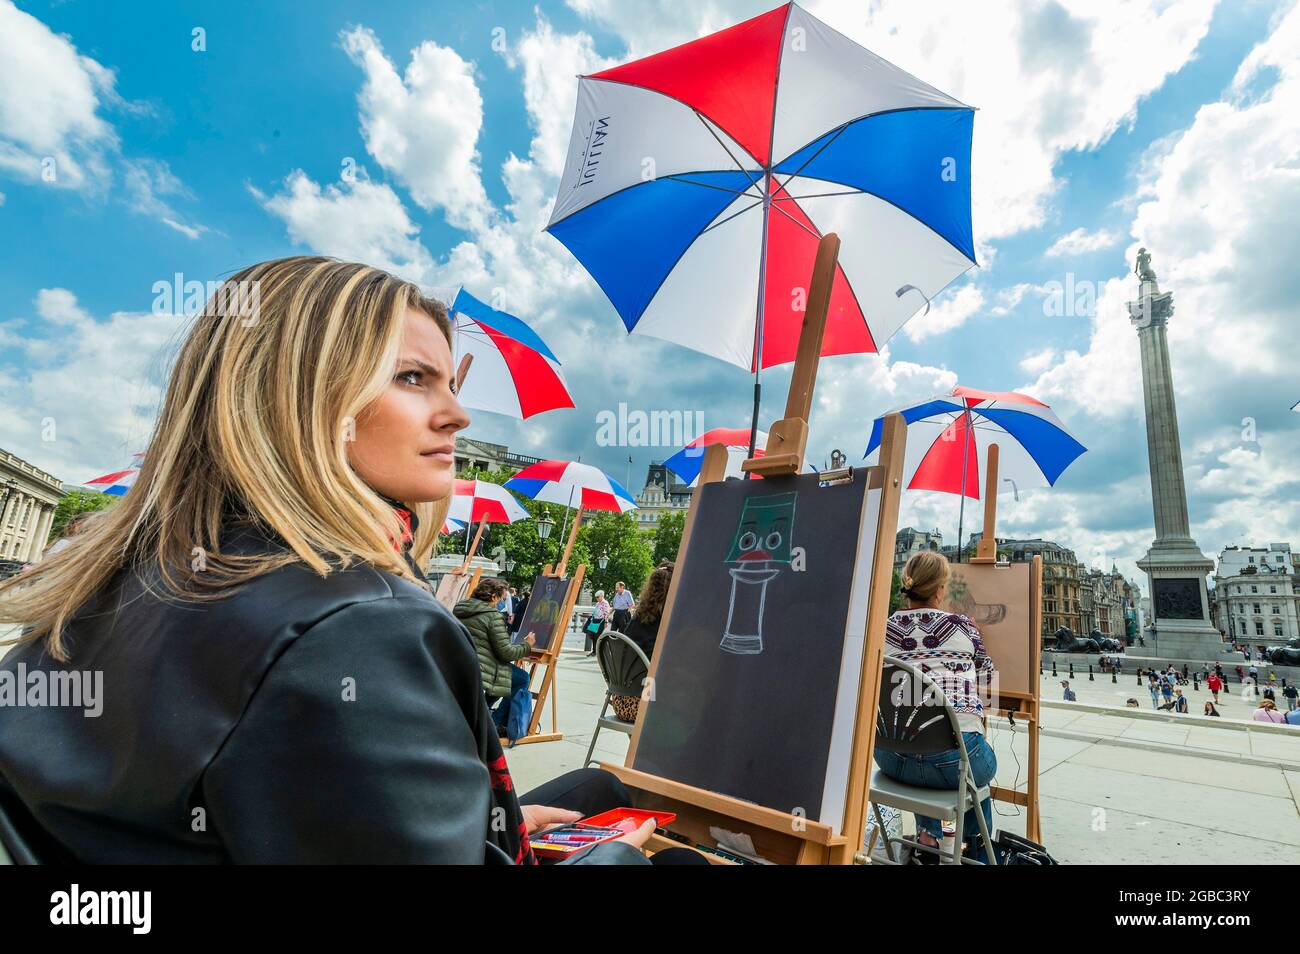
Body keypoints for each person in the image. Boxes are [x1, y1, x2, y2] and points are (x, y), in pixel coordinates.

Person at [0, 257, 663, 865]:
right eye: (413, 379)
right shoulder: (359, 624)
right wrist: (613, 860)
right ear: (302, 397)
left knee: (598, 785)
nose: (457, 414)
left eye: (449, 384)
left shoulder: (108, 583)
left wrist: (492, 824)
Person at [873, 551, 997, 864]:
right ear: (940, 590)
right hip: (949, 765)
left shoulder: (883, 628)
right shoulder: (962, 626)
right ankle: (974, 851)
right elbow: (988, 678)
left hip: (891, 760)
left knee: (920, 733)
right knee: (973, 763)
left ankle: (928, 839)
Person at [456, 577, 535, 735]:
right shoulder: (492, 616)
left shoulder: (459, 609)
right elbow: (506, 653)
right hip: (484, 668)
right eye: (501, 598)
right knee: (522, 678)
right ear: (493, 596)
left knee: (506, 679)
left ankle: (482, 715)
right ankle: (494, 723)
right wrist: (527, 645)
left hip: (463, 665)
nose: (502, 602)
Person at [608, 564, 674, 723]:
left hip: (620, 702)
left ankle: (640, 746)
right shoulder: (669, 621)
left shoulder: (636, 618)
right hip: (645, 704)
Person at [584, 589, 611, 656]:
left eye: (598, 597)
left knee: (597, 636)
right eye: (596, 597)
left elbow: (606, 613)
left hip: (601, 621)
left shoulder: (605, 603)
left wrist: (606, 622)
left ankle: (597, 651)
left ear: (602, 596)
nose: (597, 598)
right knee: (592, 635)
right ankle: (594, 651)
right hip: (595, 620)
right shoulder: (598, 603)